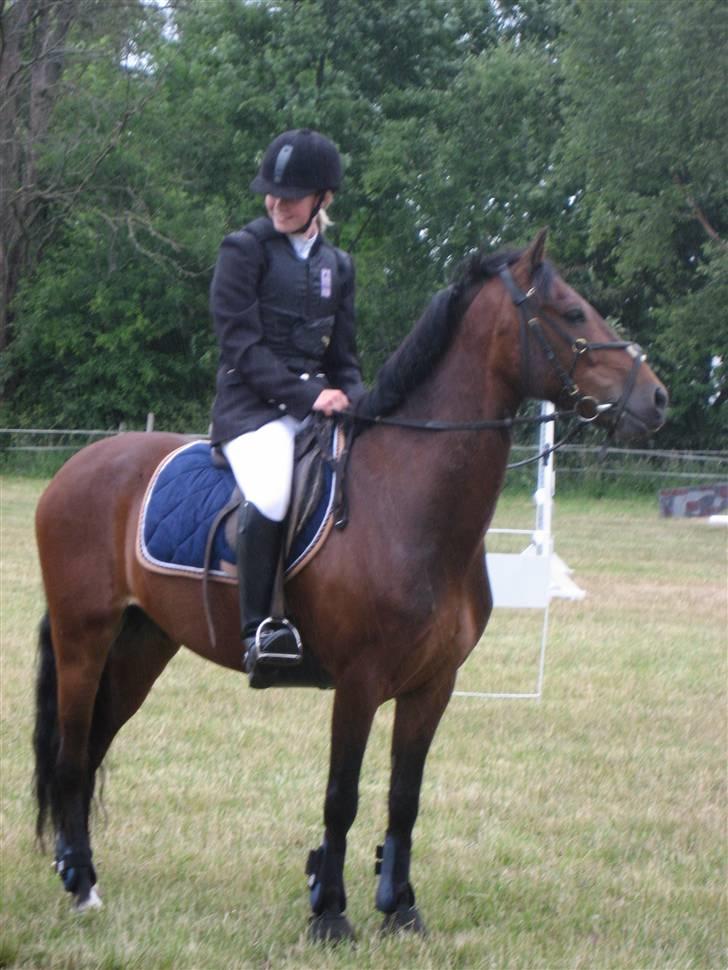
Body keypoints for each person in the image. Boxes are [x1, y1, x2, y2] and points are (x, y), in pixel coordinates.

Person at [209, 128, 366, 681]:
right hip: (250, 411)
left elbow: (343, 357)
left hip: (314, 408)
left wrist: (362, 403)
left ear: (322, 199)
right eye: (270, 192)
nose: (276, 203)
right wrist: (307, 395)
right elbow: (241, 347)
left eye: (291, 196)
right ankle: (260, 630)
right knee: (274, 487)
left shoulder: (338, 267)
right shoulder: (244, 250)